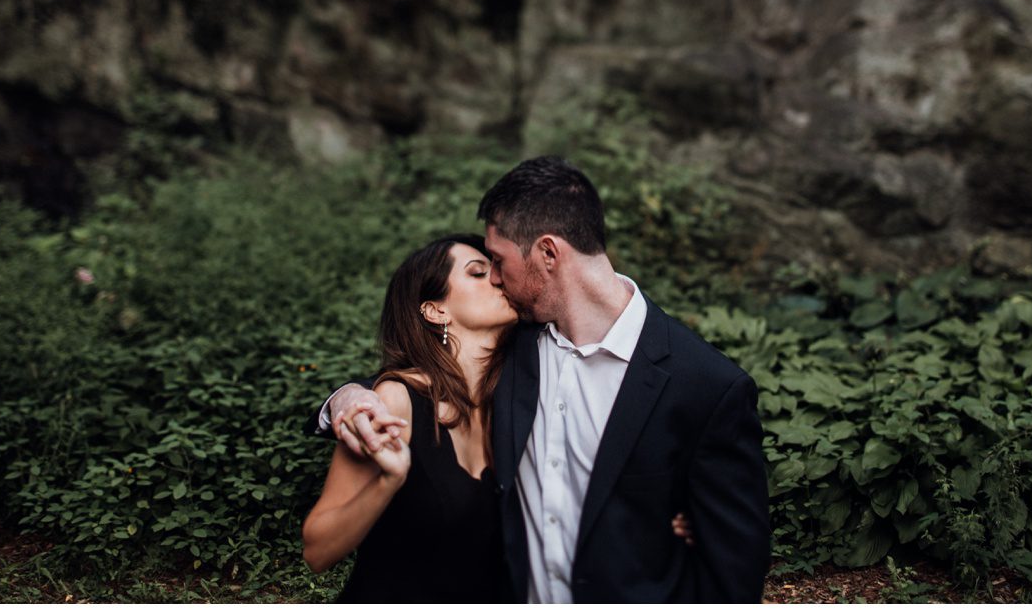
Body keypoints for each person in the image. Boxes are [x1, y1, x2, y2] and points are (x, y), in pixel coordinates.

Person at [320, 156, 770, 603]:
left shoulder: (705, 385)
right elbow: (430, 375)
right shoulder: (515, 348)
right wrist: (347, 397)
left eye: (498, 261)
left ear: (548, 253)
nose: (496, 278)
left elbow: (733, 570)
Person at [300, 234, 516, 602]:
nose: (497, 278)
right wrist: (389, 480)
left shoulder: (516, 399)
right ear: (436, 311)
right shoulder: (394, 403)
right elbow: (317, 551)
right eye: (478, 273)